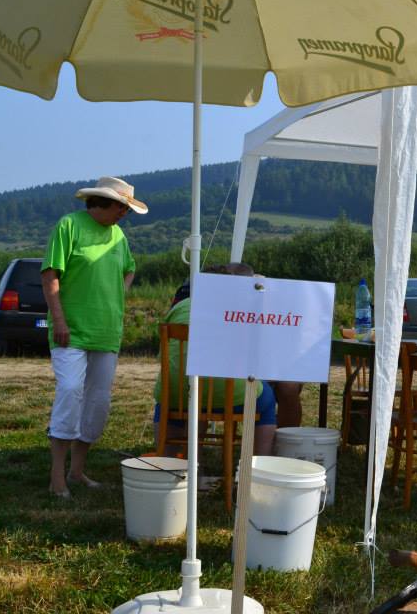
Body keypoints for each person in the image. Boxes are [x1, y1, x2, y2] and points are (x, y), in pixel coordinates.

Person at [41, 176, 147, 499]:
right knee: (70, 391)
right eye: (122, 208)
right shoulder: (69, 226)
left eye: (126, 210)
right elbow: (50, 275)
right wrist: (59, 320)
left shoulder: (119, 236)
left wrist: (118, 294)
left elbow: (129, 268)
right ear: (103, 202)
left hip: (106, 331)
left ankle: (76, 471)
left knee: (98, 402)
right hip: (70, 330)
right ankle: (56, 477)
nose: (124, 214)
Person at [152, 262, 301, 457]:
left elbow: (164, 354)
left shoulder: (180, 307)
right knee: (266, 400)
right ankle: (259, 463)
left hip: (177, 393)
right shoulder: (241, 310)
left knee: (176, 394)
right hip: (230, 396)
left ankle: (169, 461)